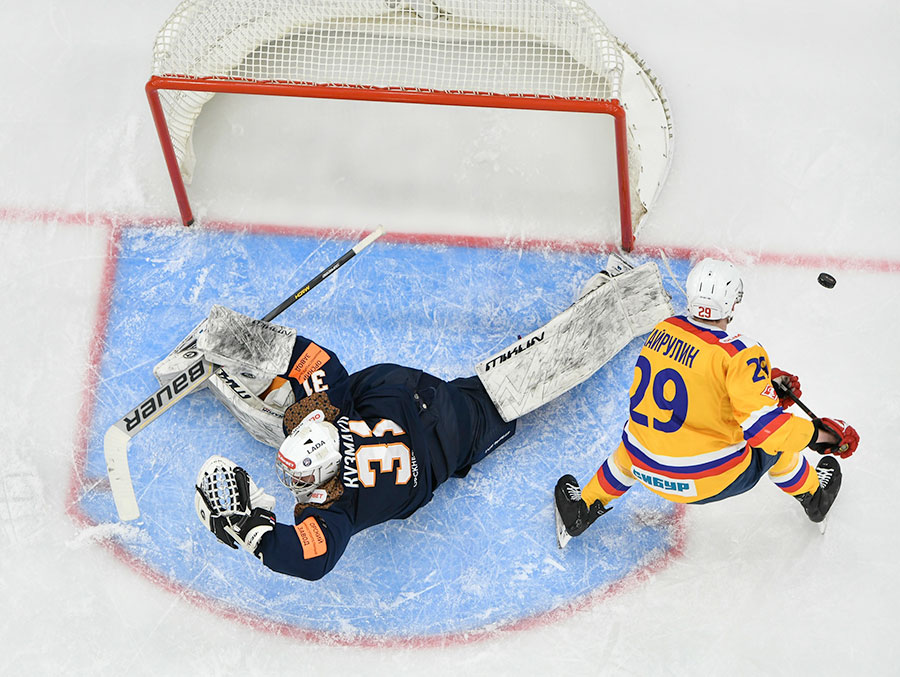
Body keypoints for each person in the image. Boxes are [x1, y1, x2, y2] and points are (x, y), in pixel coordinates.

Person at [554, 258, 860, 543]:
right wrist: (824, 434)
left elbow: (699, 382)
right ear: (732, 305)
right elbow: (768, 430)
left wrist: (764, 386)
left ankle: (584, 510)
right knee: (774, 446)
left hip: (643, 468)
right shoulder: (739, 353)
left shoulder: (664, 330)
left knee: (638, 442)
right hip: (705, 480)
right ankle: (815, 498)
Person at [193, 329, 516, 580]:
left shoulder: (340, 508)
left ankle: (270, 382)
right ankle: (272, 384)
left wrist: (252, 531)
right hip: (417, 399)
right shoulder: (337, 418)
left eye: (301, 476)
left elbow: (312, 559)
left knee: (493, 413)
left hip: (445, 445)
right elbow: (313, 358)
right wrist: (241, 339)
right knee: (333, 384)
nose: (293, 483)